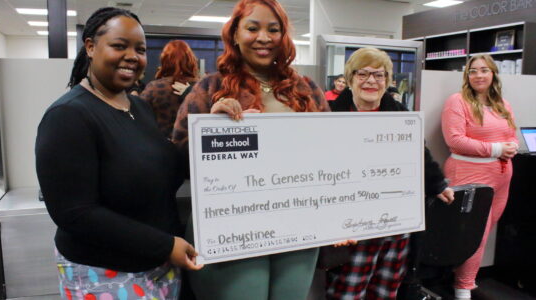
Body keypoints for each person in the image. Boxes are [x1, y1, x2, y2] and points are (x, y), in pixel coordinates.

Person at [35, 7, 202, 300]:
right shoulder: (69, 116)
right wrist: (164, 245)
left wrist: (217, 126)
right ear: (90, 46)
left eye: (140, 49)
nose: (132, 56)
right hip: (105, 274)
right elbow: (75, 214)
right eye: (119, 45)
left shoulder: (138, 107)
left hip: (158, 268)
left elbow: (166, 171)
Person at [171, 0, 330, 299]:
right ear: (234, 34)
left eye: (274, 29)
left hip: (298, 222)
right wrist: (210, 129)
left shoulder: (306, 89)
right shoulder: (210, 88)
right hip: (234, 225)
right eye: (252, 28)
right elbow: (176, 162)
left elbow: (332, 154)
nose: (264, 38)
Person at [326, 47, 454, 300]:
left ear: (388, 81)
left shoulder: (400, 115)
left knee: (386, 291)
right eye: (363, 74)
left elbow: (420, 155)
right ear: (349, 79)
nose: (371, 80)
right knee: (348, 293)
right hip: (352, 228)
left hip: (396, 225)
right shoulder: (328, 114)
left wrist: (438, 184)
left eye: (379, 75)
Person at [441, 54, 518, 300]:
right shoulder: (457, 101)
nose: (478, 76)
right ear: (467, 76)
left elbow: (512, 133)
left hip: (501, 177)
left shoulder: (502, 104)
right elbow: (455, 140)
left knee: (482, 235)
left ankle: (465, 281)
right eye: (473, 71)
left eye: (484, 70)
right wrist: (497, 149)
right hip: (470, 175)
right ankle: (463, 289)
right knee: (473, 234)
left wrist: (512, 146)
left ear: (493, 73)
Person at [140, 40, 199, 138]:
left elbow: (139, 118)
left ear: (164, 60)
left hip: (161, 148)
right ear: (191, 60)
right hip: (191, 147)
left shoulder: (154, 88)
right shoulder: (200, 87)